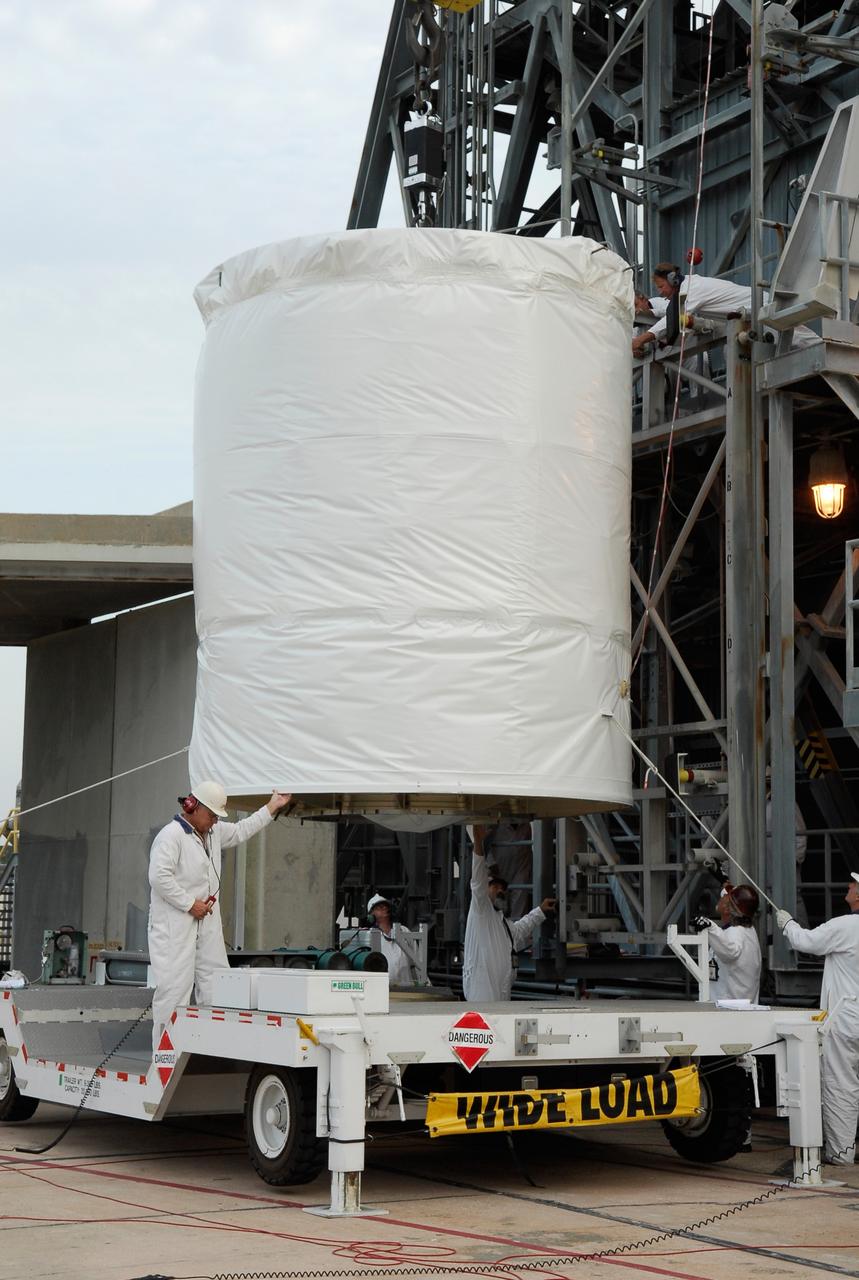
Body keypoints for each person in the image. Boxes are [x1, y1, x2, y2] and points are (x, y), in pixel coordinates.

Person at [148, 780, 293, 1049]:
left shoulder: (211, 833)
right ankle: (165, 1057)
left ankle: (207, 1048)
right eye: (212, 815)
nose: (215, 821)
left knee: (215, 982)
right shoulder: (171, 836)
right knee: (174, 990)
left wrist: (271, 807)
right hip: (175, 923)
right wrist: (189, 903)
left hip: (206, 918)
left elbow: (240, 831)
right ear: (192, 806)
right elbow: (158, 877)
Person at [776, 873, 859, 1165]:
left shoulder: (847, 926)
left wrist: (788, 924)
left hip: (846, 1017)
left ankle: (841, 1154)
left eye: (854, 884)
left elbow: (806, 941)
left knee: (841, 1084)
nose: (849, 886)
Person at [631, 263, 817, 357]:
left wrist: (641, 338)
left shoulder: (690, 289)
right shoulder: (688, 289)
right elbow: (668, 314)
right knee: (795, 341)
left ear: (672, 280)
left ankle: (833, 354)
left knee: (801, 340)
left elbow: (671, 320)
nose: (661, 293)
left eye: (661, 287)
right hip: (754, 314)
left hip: (761, 308)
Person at [462, 824, 556, 1002]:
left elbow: (520, 930)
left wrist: (541, 910)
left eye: (503, 887)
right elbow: (477, 881)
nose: (500, 890)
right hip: (481, 999)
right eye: (495, 886)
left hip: (501, 999)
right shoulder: (481, 910)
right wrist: (478, 844)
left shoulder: (502, 923)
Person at [694, 883, 761, 1002]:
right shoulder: (747, 931)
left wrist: (711, 928)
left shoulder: (735, 932)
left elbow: (730, 951)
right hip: (732, 1008)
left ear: (727, 909)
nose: (721, 897)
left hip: (729, 1010)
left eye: (725, 896)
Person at [367, 892, 413, 987]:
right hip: (382, 990)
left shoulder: (404, 931)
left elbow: (416, 961)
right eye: (379, 907)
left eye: (385, 906)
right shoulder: (369, 936)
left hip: (407, 990)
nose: (383, 909)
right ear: (371, 914)